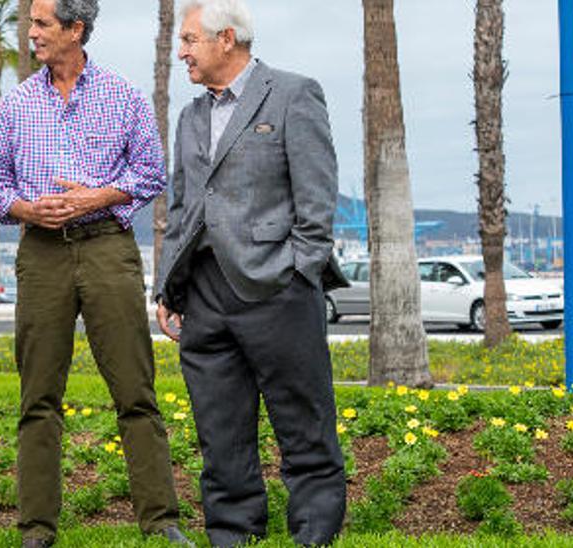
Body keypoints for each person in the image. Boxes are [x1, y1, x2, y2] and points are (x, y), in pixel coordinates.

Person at [0, 1, 192, 546]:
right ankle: (36, 530)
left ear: (76, 29)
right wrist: (29, 210)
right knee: (38, 396)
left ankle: (161, 522)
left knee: (135, 391)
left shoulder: (123, 95)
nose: (31, 34)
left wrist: (96, 196)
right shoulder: (18, 103)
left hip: (107, 250)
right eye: (30, 24)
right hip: (41, 255)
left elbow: (149, 173)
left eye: (42, 24)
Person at [154, 0, 347, 545]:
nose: (182, 51)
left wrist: (298, 270)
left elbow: (317, 199)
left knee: (304, 428)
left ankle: (313, 534)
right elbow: (184, 207)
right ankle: (233, 534)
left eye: (190, 39)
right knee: (220, 434)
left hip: (278, 289)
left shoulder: (293, 94)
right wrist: (169, 285)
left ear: (227, 39)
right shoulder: (190, 116)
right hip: (206, 295)